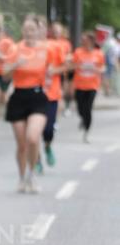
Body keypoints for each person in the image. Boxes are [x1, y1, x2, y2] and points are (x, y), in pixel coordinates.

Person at [2, 14, 49, 193]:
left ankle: (32, 174)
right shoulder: (15, 49)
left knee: (32, 137)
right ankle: (22, 178)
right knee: (21, 144)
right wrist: (15, 65)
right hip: (18, 97)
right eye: (26, 30)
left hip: (37, 96)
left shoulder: (46, 49)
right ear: (22, 31)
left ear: (38, 32)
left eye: (32, 30)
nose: (29, 33)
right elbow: (5, 75)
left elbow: (55, 68)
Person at [40, 21, 69, 169]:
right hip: (33, 95)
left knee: (48, 129)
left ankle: (47, 147)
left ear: (46, 30)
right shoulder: (24, 47)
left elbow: (65, 66)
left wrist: (54, 71)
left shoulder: (55, 46)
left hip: (51, 93)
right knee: (33, 131)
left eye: (41, 27)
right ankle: (36, 159)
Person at [71, 31, 105, 142]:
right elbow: (72, 65)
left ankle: (86, 132)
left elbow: (103, 69)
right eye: (82, 40)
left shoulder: (99, 53)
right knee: (80, 108)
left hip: (92, 85)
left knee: (88, 108)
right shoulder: (78, 52)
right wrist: (78, 65)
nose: (83, 41)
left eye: (85, 40)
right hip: (79, 84)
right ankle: (83, 118)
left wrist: (96, 69)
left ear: (91, 41)